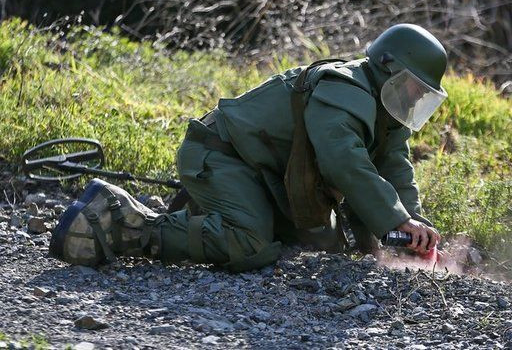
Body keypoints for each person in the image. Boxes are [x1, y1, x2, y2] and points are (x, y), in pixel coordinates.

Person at [49, 23, 448, 272]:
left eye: (422, 94)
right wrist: (393, 221)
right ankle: (127, 224)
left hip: (263, 174)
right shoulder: (345, 88)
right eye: (414, 87)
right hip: (221, 155)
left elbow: (395, 166)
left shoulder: (385, 110)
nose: (415, 99)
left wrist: (412, 227)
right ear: (388, 67)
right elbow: (343, 161)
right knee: (251, 246)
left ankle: (204, 214)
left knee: (319, 244)